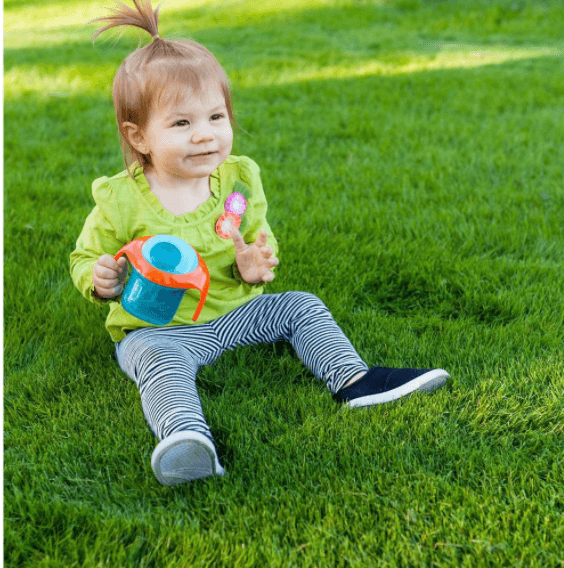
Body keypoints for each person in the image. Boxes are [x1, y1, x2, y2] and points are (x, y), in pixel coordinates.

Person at [70, 0, 450, 486]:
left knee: (300, 305)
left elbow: (258, 240)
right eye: (182, 124)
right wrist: (100, 278)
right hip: (158, 328)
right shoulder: (121, 199)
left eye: (215, 117)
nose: (205, 136)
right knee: (159, 363)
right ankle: (186, 439)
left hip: (234, 314)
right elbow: (85, 257)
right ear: (138, 136)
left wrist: (256, 264)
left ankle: (355, 380)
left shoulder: (238, 179)